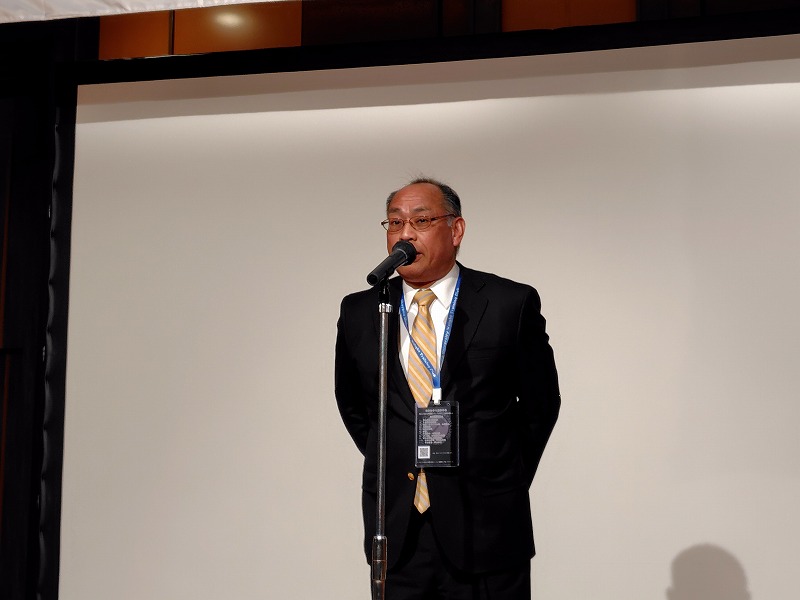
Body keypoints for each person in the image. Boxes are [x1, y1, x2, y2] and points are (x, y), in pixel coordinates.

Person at [335, 177, 560, 600]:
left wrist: (499, 475)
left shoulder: (508, 303)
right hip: (398, 529)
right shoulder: (362, 310)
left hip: (486, 525)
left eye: (421, 221)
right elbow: (354, 406)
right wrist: (399, 453)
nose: (405, 234)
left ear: (456, 230)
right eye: (395, 222)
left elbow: (540, 405)